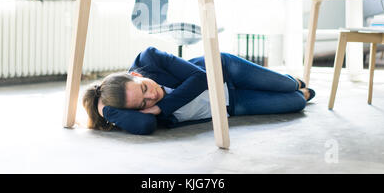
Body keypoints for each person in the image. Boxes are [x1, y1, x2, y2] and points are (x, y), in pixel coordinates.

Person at [82, 46, 315, 135]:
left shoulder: (149, 58)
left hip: (227, 71)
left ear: (136, 74)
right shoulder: (132, 111)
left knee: (288, 86)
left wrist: (161, 107)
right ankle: (298, 92)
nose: (151, 96)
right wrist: (103, 108)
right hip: (230, 103)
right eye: (143, 104)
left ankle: (291, 81)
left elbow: (202, 78)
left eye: (144, 88)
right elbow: (144, 126)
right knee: (297, 103)